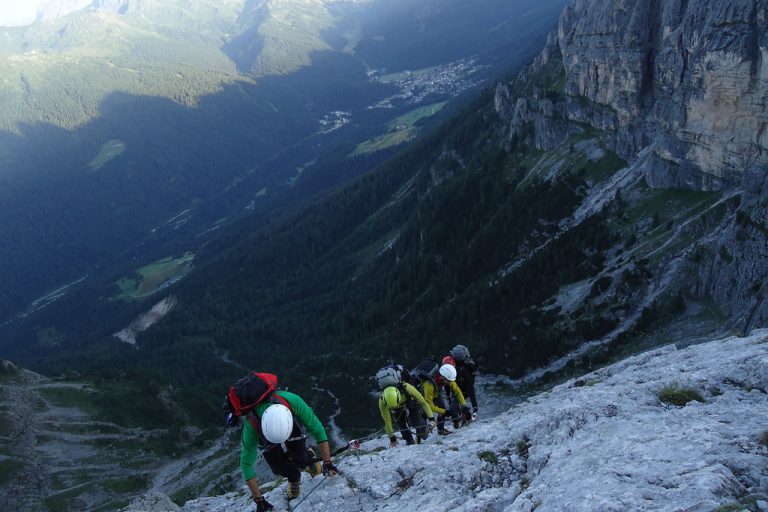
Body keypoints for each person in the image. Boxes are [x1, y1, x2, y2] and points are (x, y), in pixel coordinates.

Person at [225, 378, 338, 512]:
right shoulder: (252, 427)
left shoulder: (292, 400)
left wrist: (327, 461)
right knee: (278, 467)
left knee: (300, 455)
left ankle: (308, 458)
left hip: (287, 424)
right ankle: (294, 478)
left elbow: (317, 428)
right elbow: (246, 464)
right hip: (264, 432)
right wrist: (259, 500)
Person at [379, 383, 436, 447]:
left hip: (410, 402)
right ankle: (410, 442)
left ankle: (422, 431)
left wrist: (431, 419)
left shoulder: (407, 388)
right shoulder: (382, 402)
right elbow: (387, 421)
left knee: (417, 423)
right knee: (402, 425)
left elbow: (423, 402)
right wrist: (392, 438)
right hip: (397, 409)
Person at [429, 363, 473, 432]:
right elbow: (429, 405)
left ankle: (441, 430)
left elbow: (458, 392)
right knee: (425, 415)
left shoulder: (447, 379)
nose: (450, 383)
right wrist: (445, 412)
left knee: (442, 408)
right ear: (442, 377)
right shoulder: (429, 385)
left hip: (436, 393)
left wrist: (464, 406)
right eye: (449, 381)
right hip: (425, 396)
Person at [448, 344, 479, 417]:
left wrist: (474, 406)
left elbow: (470, 389)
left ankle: (465, 416)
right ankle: (463, 415)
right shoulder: (462, 366)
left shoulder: (463, 370)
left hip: (464, 389)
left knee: (456, 405)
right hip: (460, 387)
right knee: (456, 405)